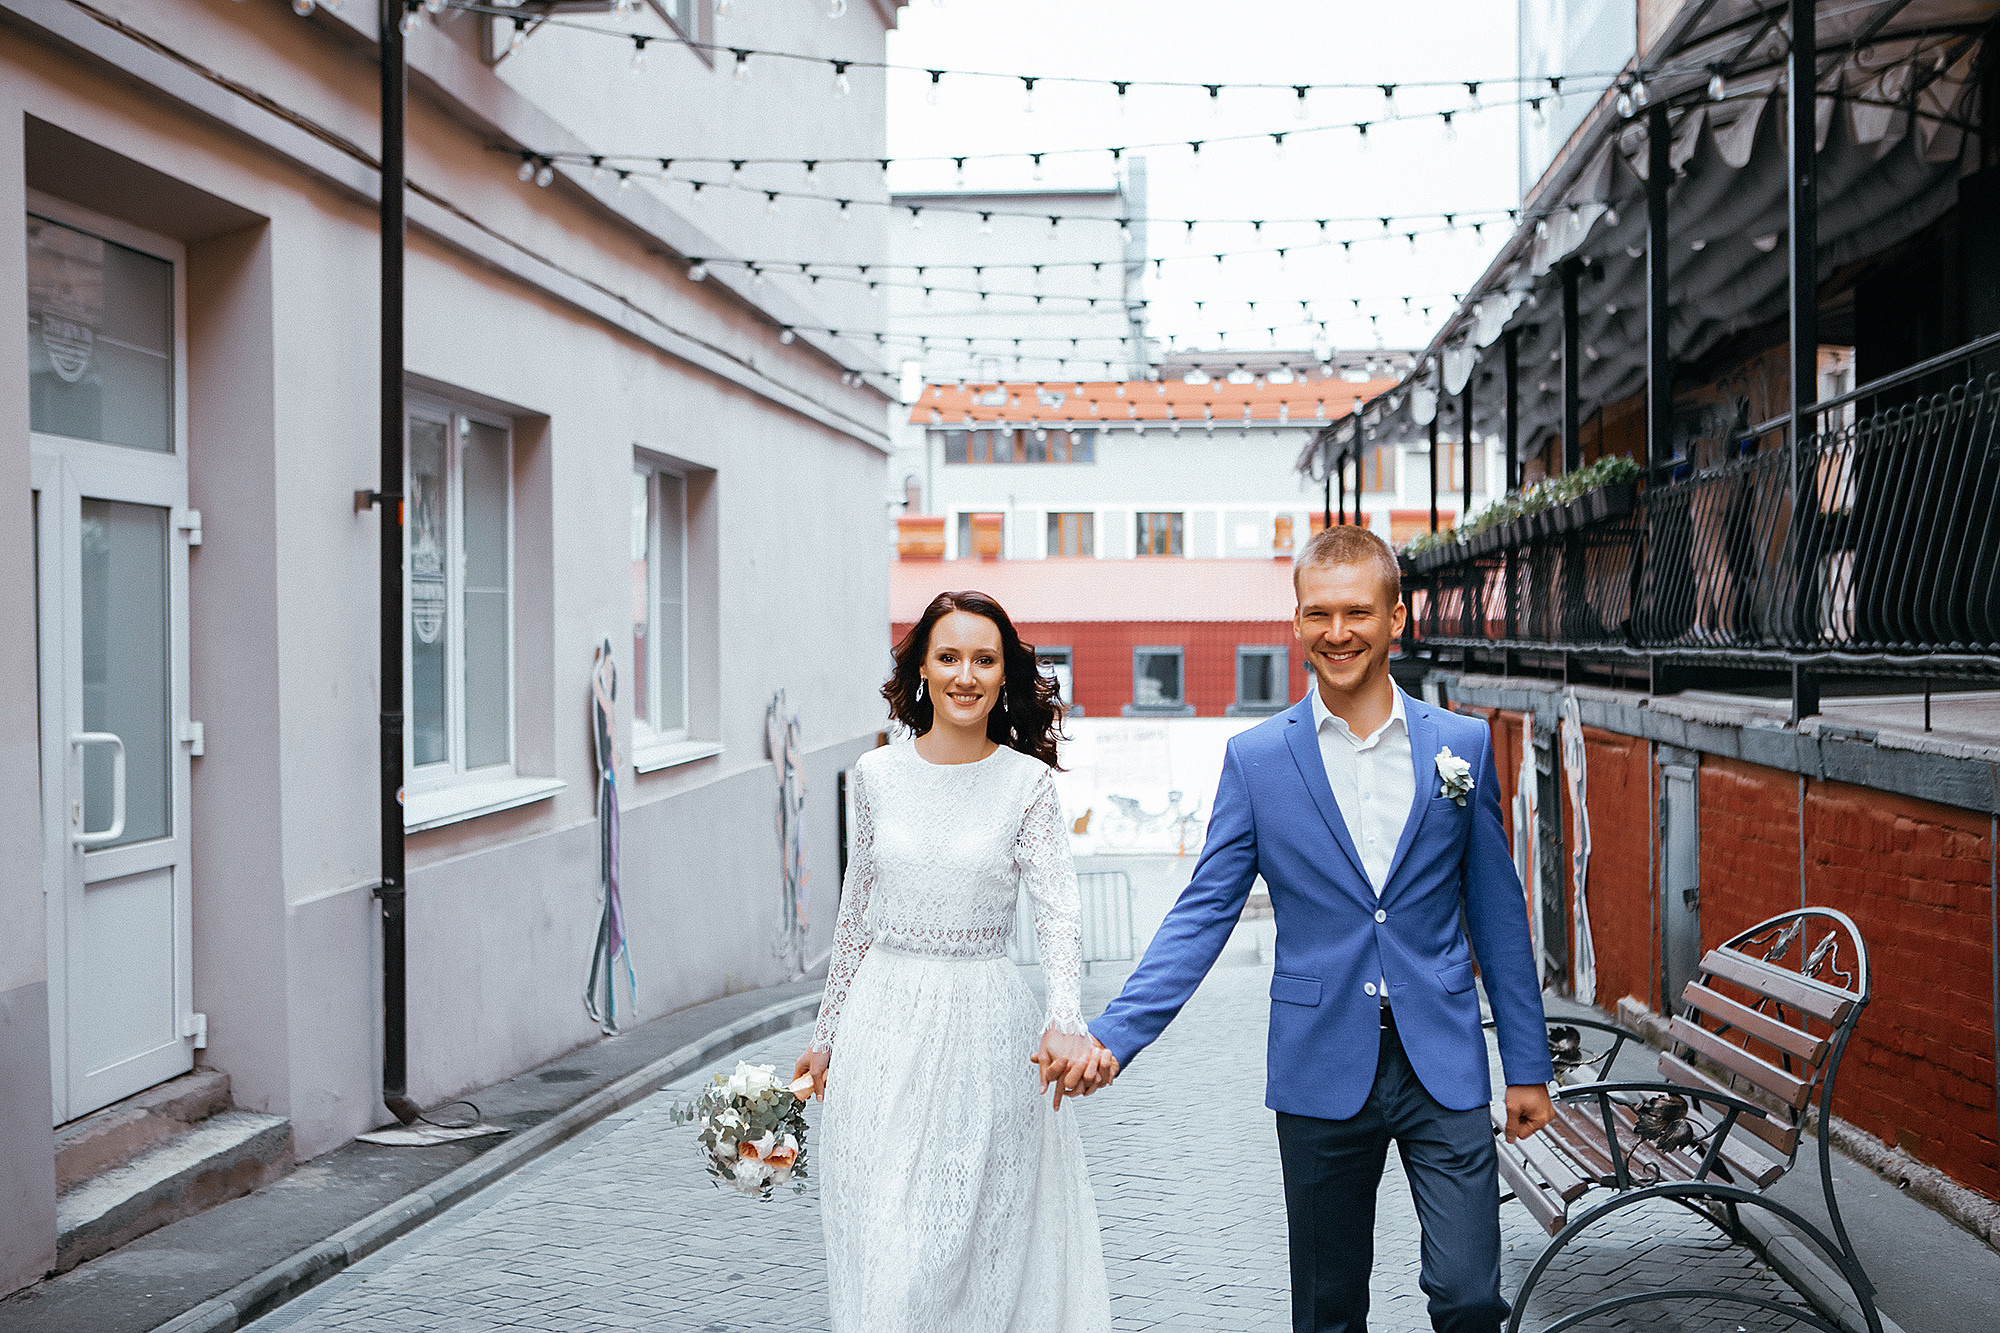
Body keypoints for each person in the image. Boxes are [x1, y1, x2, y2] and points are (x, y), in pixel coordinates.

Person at [1056, 525, 1555, 1333]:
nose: (1338, 631)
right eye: (1318, 613)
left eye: (1357, 611)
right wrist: (1115, 1033)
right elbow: (1203, 912)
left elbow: (1498, 913)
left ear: (1396, 618)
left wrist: (1526, 1065)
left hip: (1441, 1059)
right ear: (1296, 621)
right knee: (1328, 1310)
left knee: (1469, 1295)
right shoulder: (1257, 760)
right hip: (1321, 1062)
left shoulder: (1459, 745)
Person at [795, 590, 1111, 1333]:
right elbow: (855, 915)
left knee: (962, 1247)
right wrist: (825, 1034)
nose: (966, 675)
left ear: (1004, 676)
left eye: (984, 660)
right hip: (880, 1028)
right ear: (923, 671)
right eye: (949, 657)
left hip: (984, 1035)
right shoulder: (874, 775)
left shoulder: (1027, 784)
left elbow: (1058, 912)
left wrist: (1065, 1018)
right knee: (886, 1247)